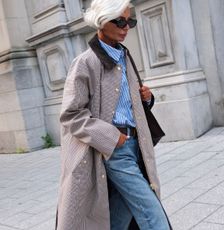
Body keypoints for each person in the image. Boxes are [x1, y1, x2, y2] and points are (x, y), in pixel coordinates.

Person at [55, 0, 172, 229]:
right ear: (101, 21)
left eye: (130, 21)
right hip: (115, 150)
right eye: (119, 21)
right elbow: (70, 114)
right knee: (152, 213)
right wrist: (111, 137)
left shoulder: (123, 56)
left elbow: (122, 104)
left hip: (136, 144)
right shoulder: (85, 63)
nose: (125, 26)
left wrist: (146, 99)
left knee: (122, 211)